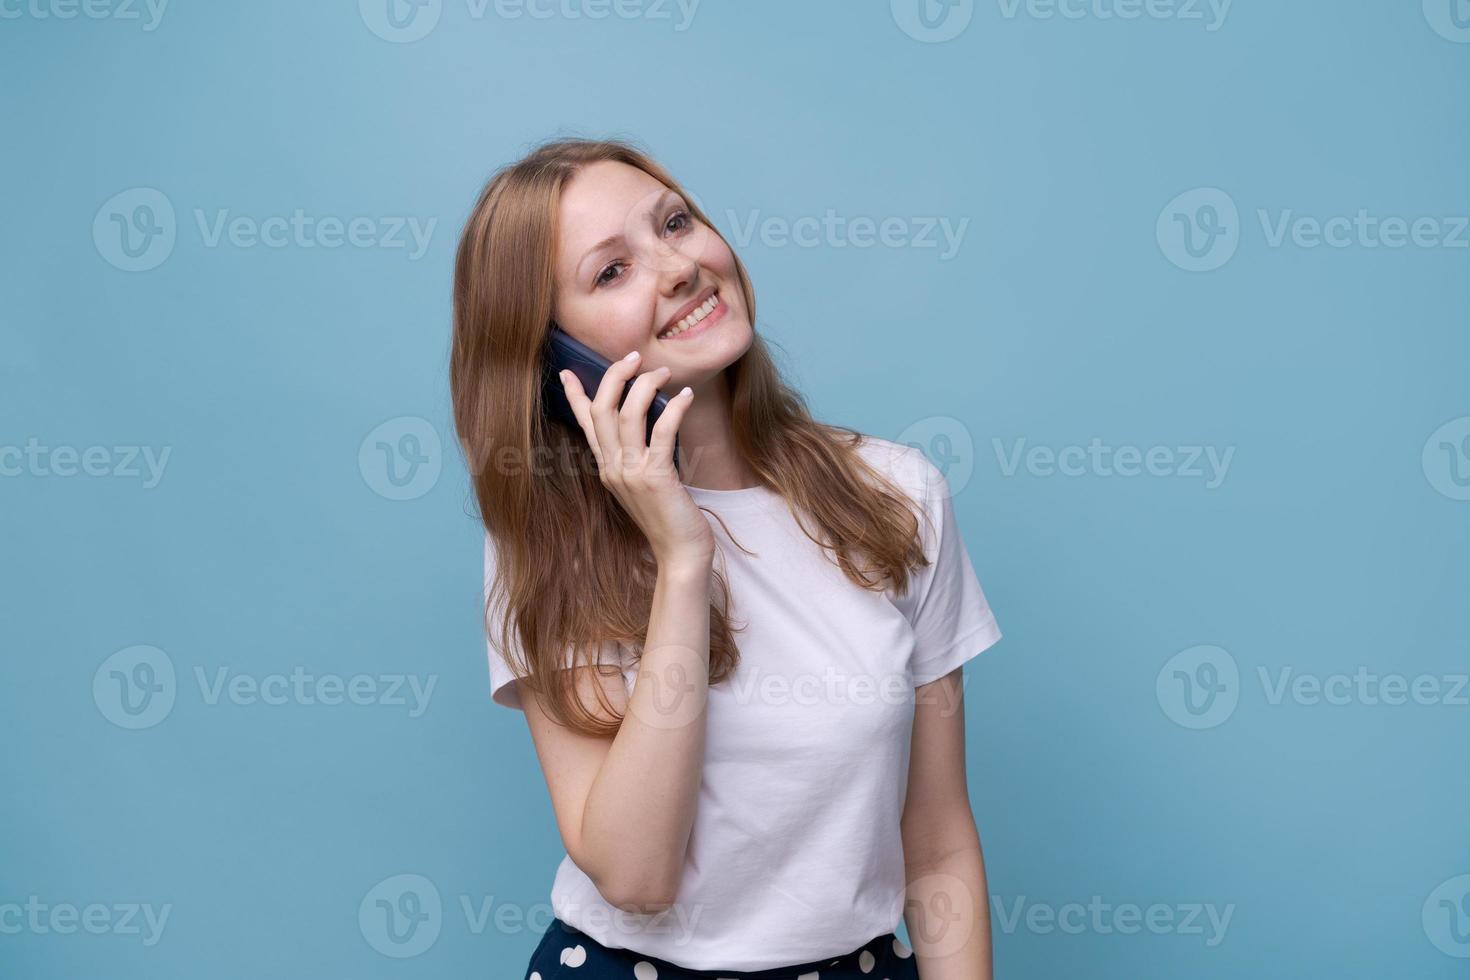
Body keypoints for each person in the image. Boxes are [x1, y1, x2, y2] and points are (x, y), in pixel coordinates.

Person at [450, 136, 1003, 978]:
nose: (677, 268)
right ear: (552, 357)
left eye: (675, 223)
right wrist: (680, 559)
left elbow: (936, 839)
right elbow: (636, 875)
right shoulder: (542, 541)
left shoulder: (898, 496)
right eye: (611, 272)